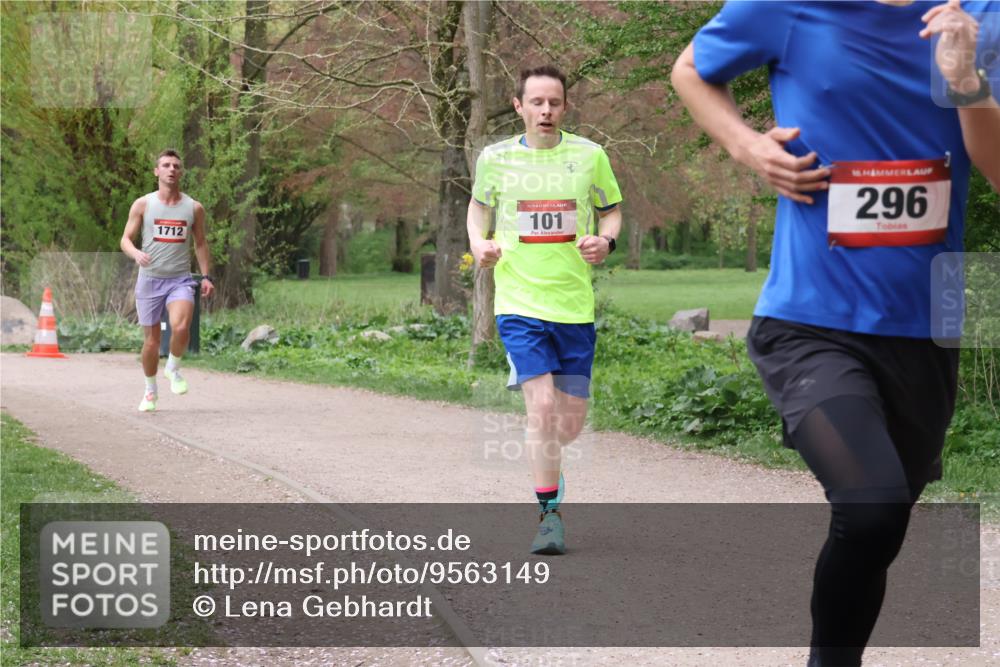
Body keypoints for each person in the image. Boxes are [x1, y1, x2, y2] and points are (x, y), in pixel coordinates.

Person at [672, 1, 999, 664]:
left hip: (924, 325)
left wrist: (968, 80)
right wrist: (748, 146)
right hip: (810, 317)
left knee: (882, 524)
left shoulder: (981, 14)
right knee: (872, 506)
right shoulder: (787, 5)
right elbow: (691, 69)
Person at [467, 65, 624, 555]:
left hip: (574, 307)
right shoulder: (494, 159)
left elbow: (611, 209)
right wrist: (480, 246)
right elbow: (478, 210)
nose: (546, 110)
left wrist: (606, 240)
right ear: (519, 106)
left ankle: (546, 456)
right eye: (536, 102)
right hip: (519, 303)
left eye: (554, 102)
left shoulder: (589, 156)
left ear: (565, 106)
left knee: (568, 426)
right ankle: (549, 516)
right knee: (541, 408)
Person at [121, 149, 214, 412]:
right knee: (151, 341)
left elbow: (201, 243)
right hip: (150, 280)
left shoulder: (193, 207)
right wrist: (136, 253)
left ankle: (173, 368)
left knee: (181, 326)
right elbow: (125, 239)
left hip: (179, 279)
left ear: (181, 172)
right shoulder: (143, 204)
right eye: (166, 165)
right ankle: (150, 390)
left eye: (176, 166)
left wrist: (206, 275)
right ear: (157, 171)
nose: (171, 169)